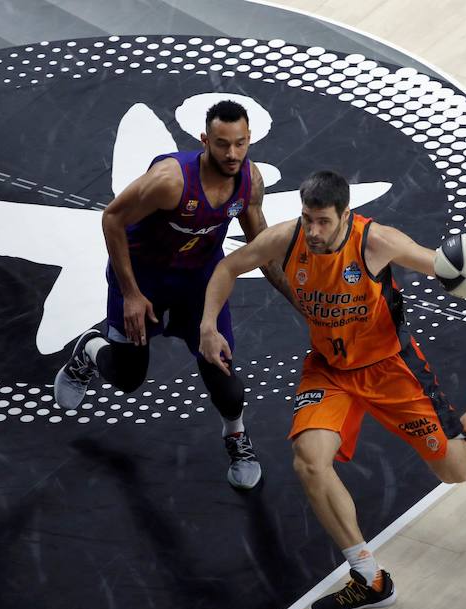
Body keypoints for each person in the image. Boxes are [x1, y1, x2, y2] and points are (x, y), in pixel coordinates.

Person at [199, 170, 466, 609]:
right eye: (308, 218)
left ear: (346, 214)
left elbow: (438, 262)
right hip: (329, 370)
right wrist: (209, 325)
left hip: (390, 370)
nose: (313, 231)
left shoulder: (376, 242)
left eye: (323, 221)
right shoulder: (286, 240)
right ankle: (369, 577)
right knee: (309, 461)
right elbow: (229, 267)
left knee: (457, 469)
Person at [54, 100, 298, 490]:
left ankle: (235, 436)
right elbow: (112, 219)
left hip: (200, 283)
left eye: (239, 144)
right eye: (222, 144)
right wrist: (131, 293)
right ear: (205, 140)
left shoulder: (249, 181)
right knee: (128, 377)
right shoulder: (171, 181)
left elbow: (263, 252)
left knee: (224, 378)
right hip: (141, 279)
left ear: (249, 139)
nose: (232, 154)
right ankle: (90, 350)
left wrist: (306, 307)